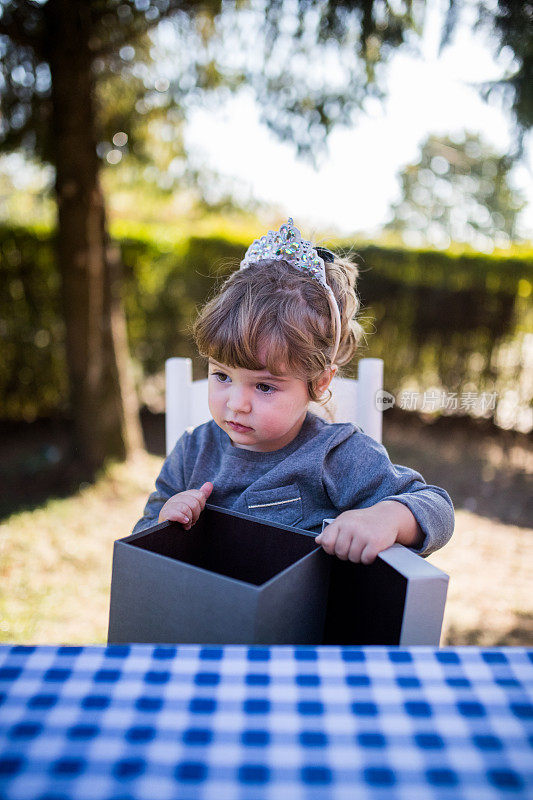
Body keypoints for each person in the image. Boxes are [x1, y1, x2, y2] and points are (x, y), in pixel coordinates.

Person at [132, 218, 454, 564]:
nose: (237, 404)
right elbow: (140, 543)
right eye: (222, 376)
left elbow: (437, 508)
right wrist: (164, 522)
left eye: (265, 386)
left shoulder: (334, 455)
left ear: (318, 383)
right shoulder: (192, 453)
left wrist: (386, 518)